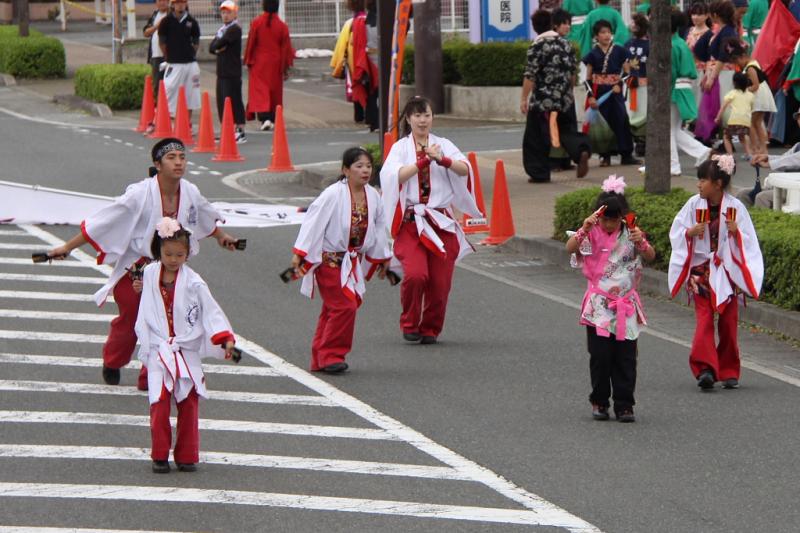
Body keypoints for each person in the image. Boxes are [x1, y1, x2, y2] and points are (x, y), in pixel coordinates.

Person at [47, 138, 239, 389]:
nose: (179, 162)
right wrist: (67, 247)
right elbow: (105, 221)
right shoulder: (140, 193)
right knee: (131, 318)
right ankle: (113, 360)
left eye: (182, 157)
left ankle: (151, 375)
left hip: (169, 268)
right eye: (171, 158)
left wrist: (222, 236)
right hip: (137, 267)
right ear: (157, 164)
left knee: (165, 322)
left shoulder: (190, 191)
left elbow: (203, 215)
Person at [134, 218, 237, 473]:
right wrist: (138, 288)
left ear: (188, 253)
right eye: (168, 253)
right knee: (158, 401)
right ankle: (159, 454)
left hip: (185, 349)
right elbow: (146, 300)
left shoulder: (194, 282)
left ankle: (187, 454)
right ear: (158, 250)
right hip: (160, 349)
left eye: (180, 254)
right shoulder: (149, 273)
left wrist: (224, 337)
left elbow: (210, 311)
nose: (173, 259)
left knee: (189, 401)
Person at [379, 96, 481, 345]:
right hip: (411, 221)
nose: (423, 120)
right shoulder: (400, 148)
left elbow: (464, 169)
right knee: (415, 275)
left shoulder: (443, 144)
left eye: (426, 115)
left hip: (440, 221)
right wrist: (424, 160)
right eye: (417, 116)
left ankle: (430, 328)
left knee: (440, 282)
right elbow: (394, 175)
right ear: (408, 119)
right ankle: (409, 322)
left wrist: (442, 159)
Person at [291, 147, 391, 373]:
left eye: (368, 166)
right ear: (346, 170)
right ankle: (331, 355)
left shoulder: (373, 196)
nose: (365, 171)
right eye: (359, 166)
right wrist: (300, 253)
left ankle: (320, 356)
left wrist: (382, 256)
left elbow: (378, 227)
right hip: (330, 260)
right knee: (344, 306)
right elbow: (313, 223)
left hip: (350, 260)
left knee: (334, 307)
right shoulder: (332, 194)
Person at [668, 155, 763, 391]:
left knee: (729, 321)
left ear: (718, 184)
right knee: (704, 318)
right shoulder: (693, 205)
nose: (699, 184)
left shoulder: (735, 208)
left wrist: (736, 233)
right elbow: (677, 230)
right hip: (701, 270)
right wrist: (689, 232)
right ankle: (705, 368)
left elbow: (749, 241)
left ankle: (729, 369)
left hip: (727, 271)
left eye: (703, 180)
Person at [566, 175, 655, 423]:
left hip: (625, 304)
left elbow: (649, 256)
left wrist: (643, 244)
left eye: (614, 219)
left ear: (622, 216)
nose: (609, 224)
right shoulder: (591, 232)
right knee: (600, 356)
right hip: (599, 305)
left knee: (626, 357)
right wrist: (584, 228)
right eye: (605, 219)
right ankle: (599, 401)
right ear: (598, 216)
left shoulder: (632, 232)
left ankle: (625, 404)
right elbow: (570, 248)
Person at [521, 10, 591, 183]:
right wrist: (569, 93)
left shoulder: (537, 45)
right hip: (565, 98)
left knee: (536, 136)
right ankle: (580, 150)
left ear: (535, 27)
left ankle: (539, 173)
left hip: (543, 100)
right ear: (552, 23)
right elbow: (572, 73)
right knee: (566, 131)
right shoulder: (566, 45)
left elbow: (530, 75)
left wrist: (524, 98)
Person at [583, 20, 641, 167]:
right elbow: (588, 78)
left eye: (608, 32)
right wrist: (591, 96)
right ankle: (605, 155)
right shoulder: (592, 54)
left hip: (615, 92)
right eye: (602, 32)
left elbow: (628, 73)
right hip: (599, 92)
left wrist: (619, 84)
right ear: (596, 36)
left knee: (621, 119)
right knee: (603, 123)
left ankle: (626, 154)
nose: (606, 35)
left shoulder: (620, 51)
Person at [671, 9, 712, 176]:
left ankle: (672, 165)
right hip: (684, 87)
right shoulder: (679, 42)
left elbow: (670, 72)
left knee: (668, 129)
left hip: (674, 89)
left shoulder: (672, 44)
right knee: (673, 129)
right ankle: (702, 151)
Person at [245, 0, 294, 131]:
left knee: (260, 92)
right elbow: (286, 48)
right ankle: (272, 117)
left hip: (259, 62)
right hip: (275, 62)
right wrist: (285, 67)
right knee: (274, 92)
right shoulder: (282, 26)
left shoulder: (256, 23)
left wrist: (248, 60)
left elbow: (251, 43)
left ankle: (264, 118)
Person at [725, 39, 775, 156]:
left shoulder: (750, 68)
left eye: (737, 61)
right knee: (757, 123)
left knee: (752, 123)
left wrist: (743, 92)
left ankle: (756, 148)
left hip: (759, 96)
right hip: (762, 95)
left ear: (743, 56)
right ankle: (761, 149)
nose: (738, 64)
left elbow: (756, 85)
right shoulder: (753, 62)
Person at [744, 111, 800, 208]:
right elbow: (785, 158)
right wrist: (767, 158)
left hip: (796, 191)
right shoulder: (798, 145)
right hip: (787, 187)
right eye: (799, 117)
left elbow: (795, 159)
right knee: (743, 194)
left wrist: (770, 163)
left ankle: (761, 222)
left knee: (761, 197)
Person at [209, 0, 246, 144]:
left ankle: (240, 131)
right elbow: (212, 47)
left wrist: (218, 46)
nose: (225, 15)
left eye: (228, 12)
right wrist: (218, 47)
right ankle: (227, 129)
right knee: (222, 101)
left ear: (235, 13)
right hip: (222, 71)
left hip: (232, 71)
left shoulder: (235, 29)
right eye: (223, 12)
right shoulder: (222, 30)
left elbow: (219, 43)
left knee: (234, 100)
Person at [158, 0, 201, 121]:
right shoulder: (166, 21)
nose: (180, 5)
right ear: (173, 4)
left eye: (182, 2)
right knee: (170, 90)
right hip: (174, 64)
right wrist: (169, 56)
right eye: (177, 2)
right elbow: (162, 42)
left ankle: (187, 123)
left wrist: (190, 53)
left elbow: (196, 41)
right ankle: (170, 121)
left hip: (190, 64)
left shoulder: (192, 21)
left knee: (191, 93)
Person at [142, 0, 170, 134]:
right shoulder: (155, 15)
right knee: (157, 88)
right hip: (155, 57)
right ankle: (156, 119)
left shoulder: (172, 15)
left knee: (170, 88)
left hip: (169, 58)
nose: (162, 3)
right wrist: (156, 26)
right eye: (160, 0)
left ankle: (171, 120)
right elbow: (146, 32)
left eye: (165, 0)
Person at [624, 13, 650, 156]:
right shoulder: (627, 44)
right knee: (632, 112)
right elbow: (624, 62)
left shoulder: (650, 45)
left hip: (645, 85)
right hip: (630, 84)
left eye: (634, 23)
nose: (632, 26)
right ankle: (637, 139)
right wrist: (628, 75)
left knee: (643, 112)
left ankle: (643, 141)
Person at [715, 72, 755, 157]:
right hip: (745, 120)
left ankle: (730, 155)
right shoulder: (750, 95)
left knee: (726, 137)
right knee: (742, 137)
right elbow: (751, 108)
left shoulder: (732, 93)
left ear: (734, 82)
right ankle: (749, 154)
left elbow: (723, 107)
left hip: (733, 119)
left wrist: (718, 117)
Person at [685, 2, 710, 108]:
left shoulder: (709, 34)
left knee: (698, 98)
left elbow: (710, 56)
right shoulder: (689, 30)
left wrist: (707, 74)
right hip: (688, 70)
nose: (695, 17)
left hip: (700, 71)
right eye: (693, 14)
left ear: (706, 15)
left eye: (699, 14)